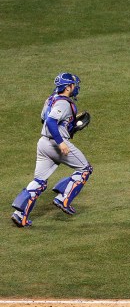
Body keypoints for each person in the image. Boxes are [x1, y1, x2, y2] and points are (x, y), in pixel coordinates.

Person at [10, 73, 93, 227]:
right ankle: (64, 198)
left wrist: (68, 128)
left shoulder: (51, 99)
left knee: (39, 182)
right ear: (68, 87)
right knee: (85, 169)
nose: (76, 87)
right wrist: (61, 142)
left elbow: (44, 118)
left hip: (43, 143)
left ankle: (20, 214)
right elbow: (50, 121)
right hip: (56, 145)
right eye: (74, 85)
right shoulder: (63, 103)